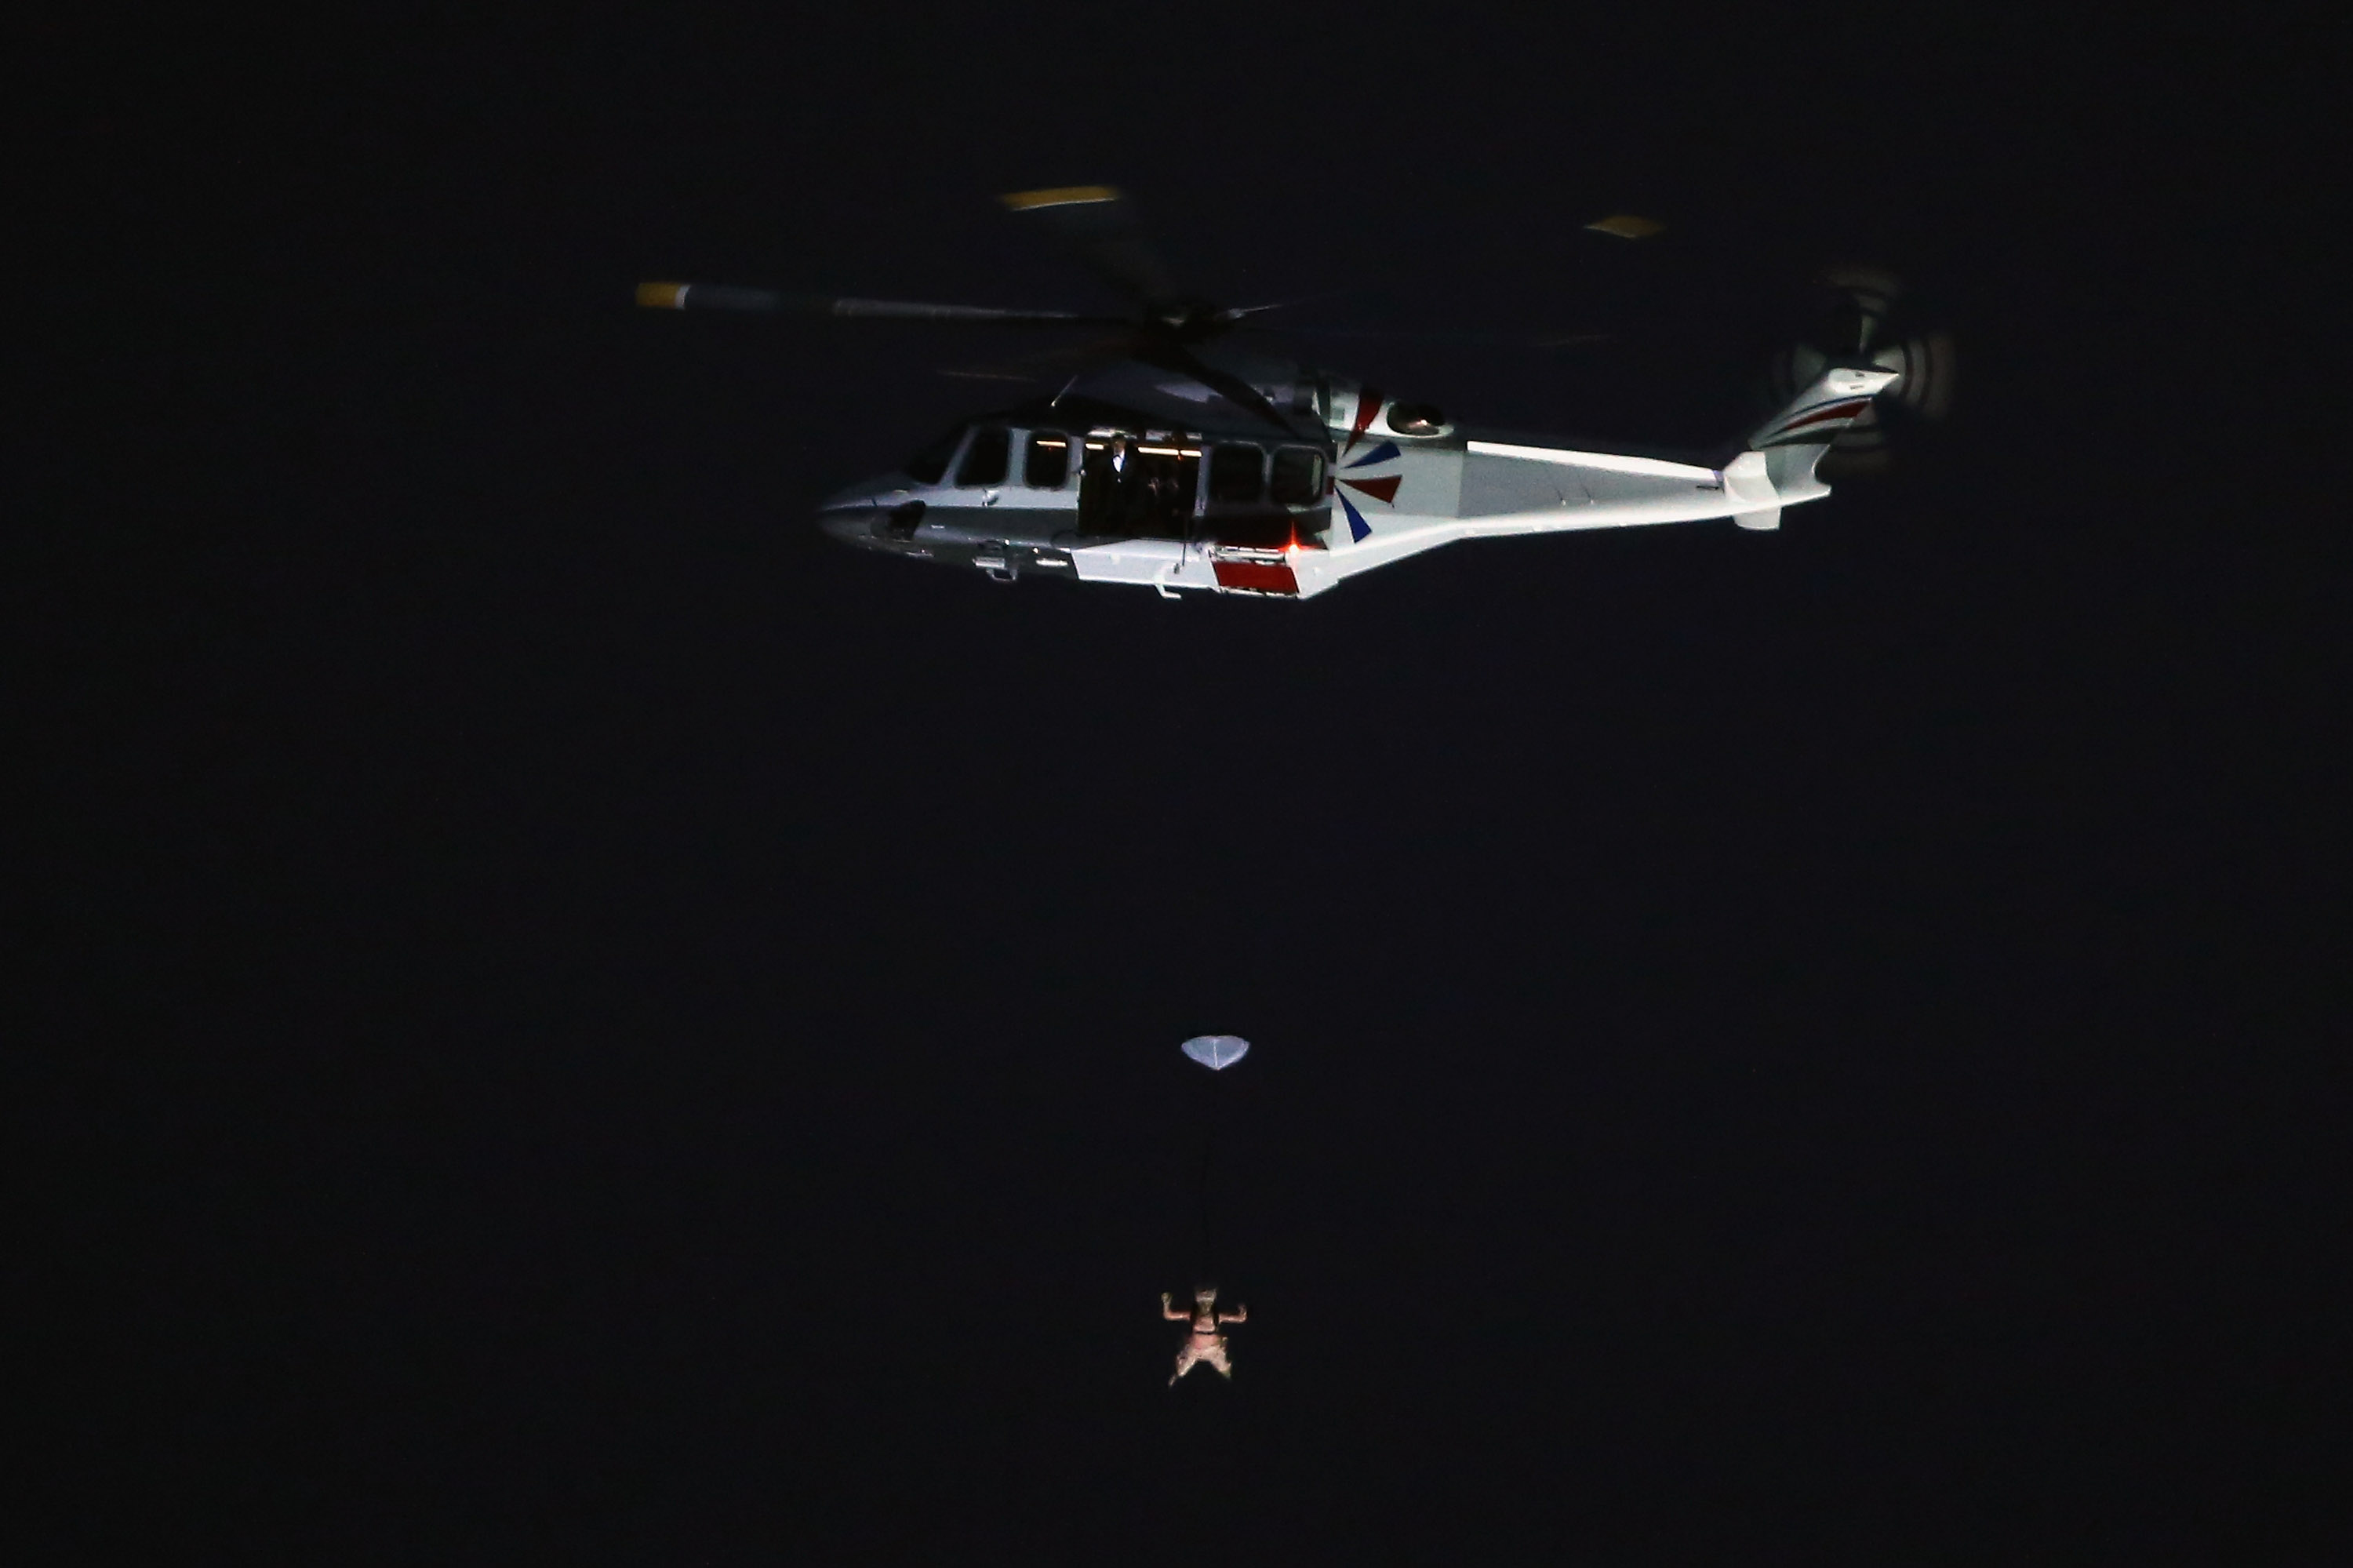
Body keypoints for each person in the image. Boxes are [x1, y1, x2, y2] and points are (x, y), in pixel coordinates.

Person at [1162, 1285, 1246, 1384]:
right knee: (1181, 1372)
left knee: (1225, 1370)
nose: (1205, 1306)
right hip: (1194, 1350)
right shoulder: (1192, 1315)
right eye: (1203, 1304)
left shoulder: (1217, 1317)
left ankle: (1237, 1383)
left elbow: (1239, 1319)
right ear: (1198, 1303)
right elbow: (1170, 1316)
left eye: (1208, 1303)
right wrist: (1166, 1304)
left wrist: (1243, 1311)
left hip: (1214, 1350)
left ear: (1211, 1304)